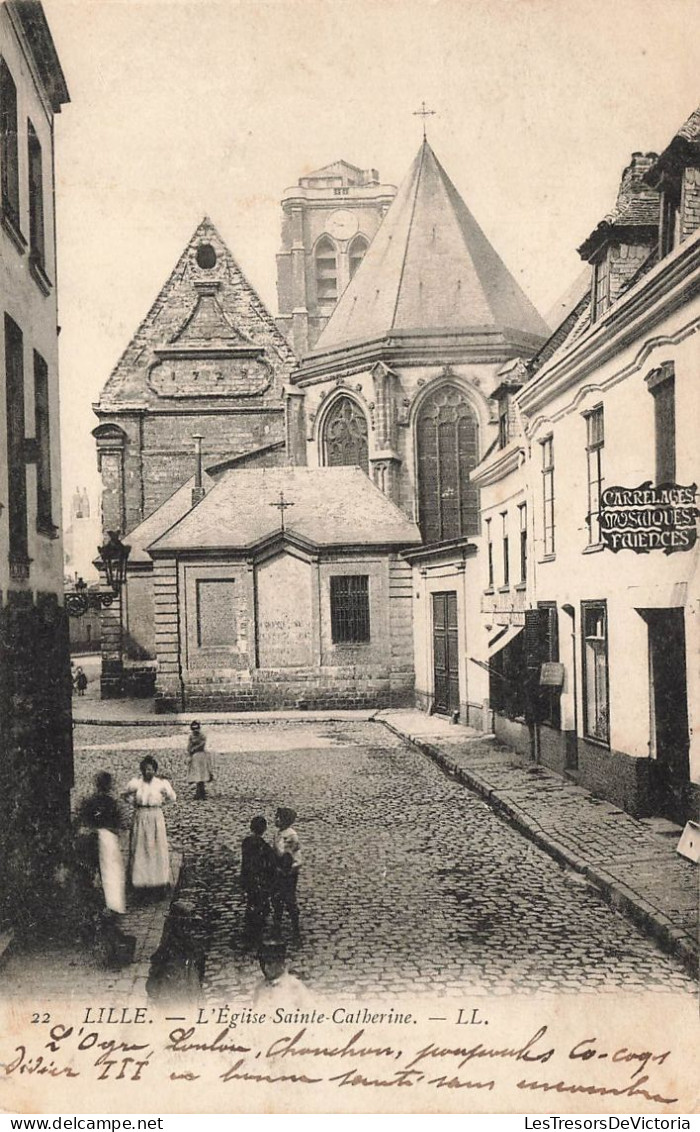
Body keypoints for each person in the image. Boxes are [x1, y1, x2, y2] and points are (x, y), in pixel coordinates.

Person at [75, 772, 135, 968]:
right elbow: (121, 825)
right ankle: (109, 922)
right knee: (111, 880)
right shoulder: (111, 804)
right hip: (106, 844)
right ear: (109, 786)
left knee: (99, 883)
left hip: (94, 843)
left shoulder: (89, 802)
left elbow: (81, 821)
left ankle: (100, 930)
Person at [124, 756, 176, 899]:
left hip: (155, 817)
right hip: (140, 816)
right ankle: (141, 884)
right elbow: (126, 796)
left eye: (151, 769)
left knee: (156, 848)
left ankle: (158, 883)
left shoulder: (161, 784)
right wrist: (134, 802)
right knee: (141, 848)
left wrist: (161, 802)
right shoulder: (136, 784)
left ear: (155, 770)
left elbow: (172, 798)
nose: (148, 772)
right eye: (146, 769)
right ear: (142, 770)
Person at [240, 816, 277, 948]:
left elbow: (245, 863)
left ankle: (250, 928)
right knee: (260, 903)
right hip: (260, 881)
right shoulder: (264, 847)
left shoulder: (246, 842)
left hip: (249, 879)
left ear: (251, 827)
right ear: (264, 829)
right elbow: (271, 864)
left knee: (251, 901)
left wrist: (243, 878)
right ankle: (256, 930)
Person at [272, 806, 302, 942]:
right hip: (280, 871)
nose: (276, 819)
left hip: (288, 872)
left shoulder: (290, 835)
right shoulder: (280, 833)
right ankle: (277, 926)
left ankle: (295, 928)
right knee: (277, 898)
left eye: (279, 817)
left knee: (289, 899)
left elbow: (285, 855)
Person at [187, 720, 213, 800]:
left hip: (201, 756)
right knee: (197, 774)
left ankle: (202, 792)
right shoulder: (191, 736)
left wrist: (193, 749)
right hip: (195, 757)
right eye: (193, 729)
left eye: (197, 728)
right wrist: (190, 751)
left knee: (202, 774)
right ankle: (199, 792)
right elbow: (189, 746)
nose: (195, 730)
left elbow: (202, 745)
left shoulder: (202, 736)